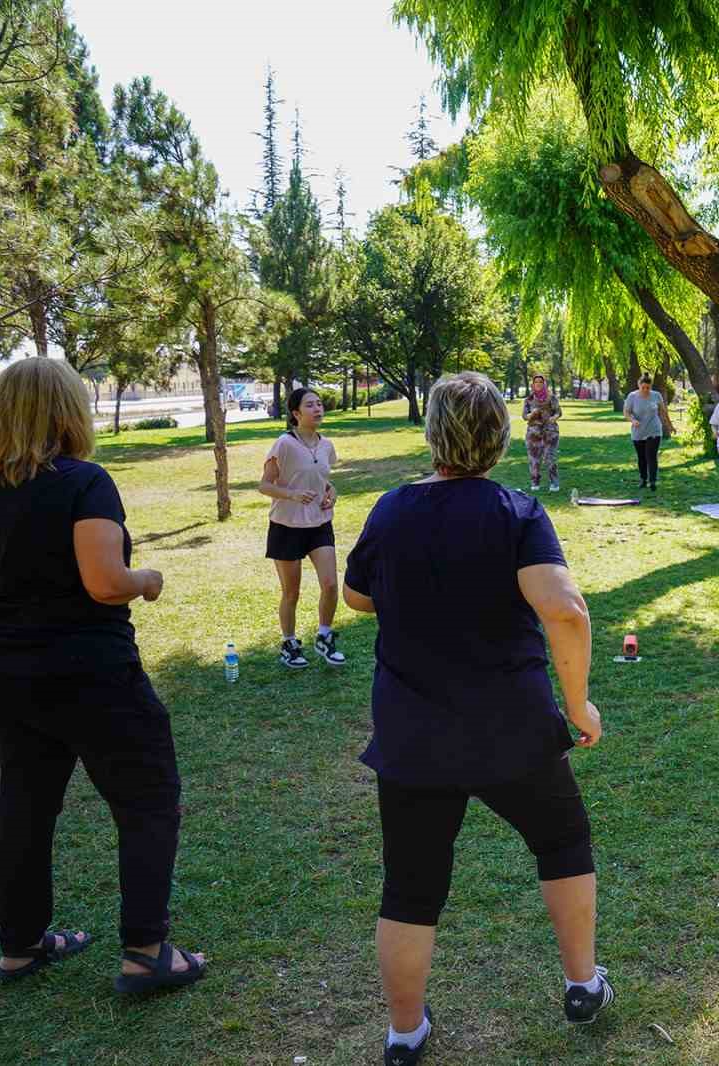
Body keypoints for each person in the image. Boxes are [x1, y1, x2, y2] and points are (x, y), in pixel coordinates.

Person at [342, 372, 612, 1064]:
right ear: (499, 435)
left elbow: (356, 598)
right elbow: (566, 609)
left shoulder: (391, 510)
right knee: (562, 842)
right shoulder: (515, 512)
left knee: (411, 883)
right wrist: (577, 703)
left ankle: (405, 1032)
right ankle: (582, 982)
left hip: (413, 730)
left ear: (433, 433)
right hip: (511, 723)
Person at [0, 357, 204, 993]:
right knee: (147, 799)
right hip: (90, 673)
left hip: (10, 672)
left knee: (26, 804)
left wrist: (10, 624)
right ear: (67, 412)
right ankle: (145, 953)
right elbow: (104, 583)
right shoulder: (85, 483)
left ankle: (21, 946)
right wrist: (146, 581)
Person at [259, 387, 346, 669]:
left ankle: (324, 635)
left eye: (319, 404)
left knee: (330, 584)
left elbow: (322, 480)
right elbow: (265, 485)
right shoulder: (284, 444)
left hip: (319, 523)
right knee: (291, 592)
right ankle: (289, 643)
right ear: (296, 414)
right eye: (310, 405)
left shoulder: (326, 445)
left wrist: (332, 492)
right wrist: (292, 494)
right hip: (287, 525)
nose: (318, 409)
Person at [623, 374, 673, 492]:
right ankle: (643, 479)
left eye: (648, 388)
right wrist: (632, 420)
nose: (646, 390)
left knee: (651, 456)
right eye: (643, 387)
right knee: (642, 457)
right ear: (639, 385)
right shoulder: (632, 396)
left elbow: (663, 411)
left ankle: (653, 481)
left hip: (654, 430)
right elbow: (626, 412)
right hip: (638, 431)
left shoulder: (656, 395)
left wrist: (670, 425)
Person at [523, 373, 563, 493]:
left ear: (544, 384)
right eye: (536, 382)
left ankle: (554, 482)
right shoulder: (529, 399)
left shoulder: (551, 398)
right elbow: (525, 416)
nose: (538, 384)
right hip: (533, 432)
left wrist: (553, 418)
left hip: (550, 432)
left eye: (541, 382)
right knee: (534, 459)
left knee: (549, 457)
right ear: (533, 384)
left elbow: (558, 412)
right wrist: (532, 414)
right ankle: (535, 482)